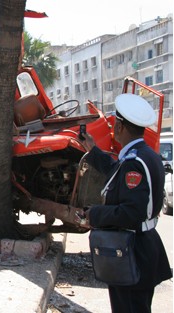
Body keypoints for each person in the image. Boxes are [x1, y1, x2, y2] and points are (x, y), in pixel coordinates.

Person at [75, 93, 172, 313]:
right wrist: (92, 150)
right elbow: (115, 172)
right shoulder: (146, 155)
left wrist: (95, 214)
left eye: (115, 124)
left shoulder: (134, 163)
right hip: (143, 246)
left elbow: (131, 212)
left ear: (119, 127)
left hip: (132, 251)